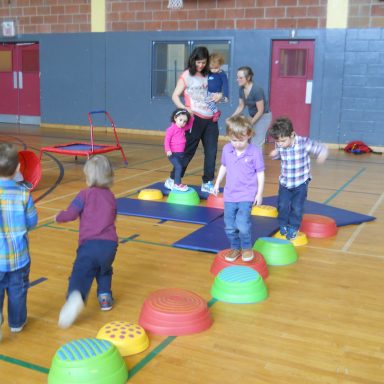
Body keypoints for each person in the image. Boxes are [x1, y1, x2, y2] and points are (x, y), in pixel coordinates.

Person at [56, 155, 118, 329]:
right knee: (104, 269)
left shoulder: (84, 194)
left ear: (89, 177)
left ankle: (76, 297)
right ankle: (105, 298)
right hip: (110, 246)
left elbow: (71, 214)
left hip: (89, 245)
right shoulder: (111, 196)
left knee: (80, 273)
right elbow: (112, 217)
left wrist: (59, 216)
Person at [213, 115, 265, 262]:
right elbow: (224, 166)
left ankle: (247, 247)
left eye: (240, 140)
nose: (237, 144)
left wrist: (259, 194)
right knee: (229, 226)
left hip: (246, 195)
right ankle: (235, 248)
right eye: (233, 140)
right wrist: (217, 184)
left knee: (242, 224)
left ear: (249, 134)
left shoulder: (255, 152)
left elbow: (260, 173)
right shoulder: (227, 149)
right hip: (229, 195)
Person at [171, 46, 222, 194]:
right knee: (188, 151)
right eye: (198, 62)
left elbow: (217, 94)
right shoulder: (187, 75)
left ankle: (207, 182)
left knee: (211, 152)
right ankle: (174, 178)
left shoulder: (209, 75)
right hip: (194, 118)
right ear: (193, 60)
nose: (201, 65)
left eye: (204, 62)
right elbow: (175, 95)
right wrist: (184, 109)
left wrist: (219, 96)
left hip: (211, 119)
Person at [269, 117, 328, 240]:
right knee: (282, 205)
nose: (280, 144)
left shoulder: (303, 143)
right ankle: (283, 224)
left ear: (292, 134)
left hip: (301, 183)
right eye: (278, 142)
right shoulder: (280, 142)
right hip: (285, 182)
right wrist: (275, 154)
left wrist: (322, 154)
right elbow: (281, 155)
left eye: (283, 141)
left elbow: (321, 148)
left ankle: (294, 227)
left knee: (297, 207)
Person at [0, 143, 38, 337]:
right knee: (17, 291)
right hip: (18, 258)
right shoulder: (24, 193)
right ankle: (16, 323)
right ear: (17, 168)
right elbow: (32, 221)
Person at [231, 66, 272, 148]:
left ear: (248, 77)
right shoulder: (241, 89)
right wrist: (231, 118)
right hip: (253, 116)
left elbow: (260, 111)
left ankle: (257, 161)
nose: (237, 80)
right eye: (237, 77)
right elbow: (241, 106)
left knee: (256, 143)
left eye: (240, 78)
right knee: (247, 140)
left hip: (263, 117)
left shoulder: (257, 90)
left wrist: (250, 123)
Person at [164, 108, 195, 192]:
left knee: (177, 167)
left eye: (185, 121)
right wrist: (168, 150)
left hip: (181, 154)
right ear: (175, 118)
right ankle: (177, 184)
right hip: (173, 154)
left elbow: (190, 125)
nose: (182, 123)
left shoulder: (183, 128)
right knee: (178, 167)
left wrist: (191, 116)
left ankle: (171, 181)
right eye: (180, 120)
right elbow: (166, 141)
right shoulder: (171, 129)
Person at [205, 53, 229, 123]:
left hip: (216, 93)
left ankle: (216, 112)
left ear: (220, 65)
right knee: (206, 100)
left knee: (208, 101)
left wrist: (226, 95)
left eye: (216, 68)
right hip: (208, 92)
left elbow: (225, 85)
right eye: (211, 68)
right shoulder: (208, 72)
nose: (214, 70)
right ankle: (214, 112)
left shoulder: (222, 74)